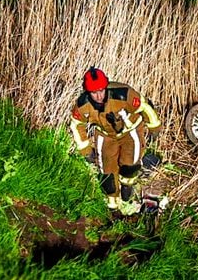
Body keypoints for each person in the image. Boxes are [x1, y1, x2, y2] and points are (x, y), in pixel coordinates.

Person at [69, 67, 161, 216]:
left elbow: (145, 107)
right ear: (88, 92)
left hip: (130, 131)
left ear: (106, 87)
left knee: (130, 165)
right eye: (94, 92)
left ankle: (127, 186)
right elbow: (76, 125)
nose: (98, 96)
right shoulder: (82, 105)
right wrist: (85, 149)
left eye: (101, 90)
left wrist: (154, 126)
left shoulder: (123, 94)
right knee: (107, 172)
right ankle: (113, 206)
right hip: (105, 136)